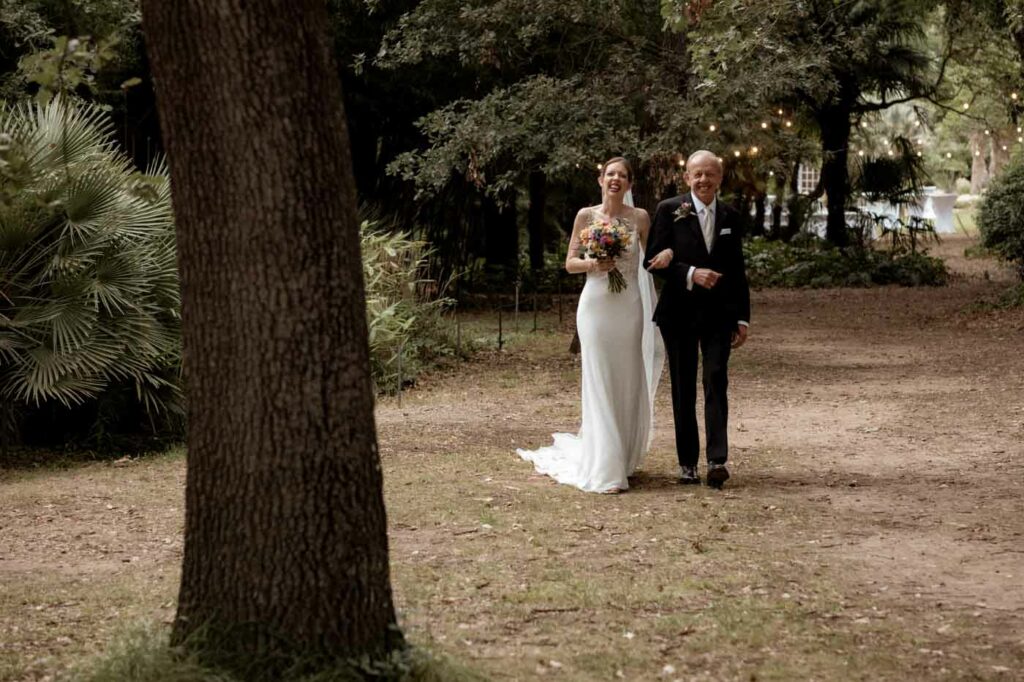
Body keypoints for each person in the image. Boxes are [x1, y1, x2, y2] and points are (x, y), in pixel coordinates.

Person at [518, 157, 667, 493]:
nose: (615, 179)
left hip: (629, 306)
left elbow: (651, 259)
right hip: (596, 306)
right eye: (610, 174)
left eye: (622, 175)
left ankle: (622, 456)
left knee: (626, 376)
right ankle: (605, 465)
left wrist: (666, 256)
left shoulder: (640, 217)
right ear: (601, 180)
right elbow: (570, 263)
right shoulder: (586, 216)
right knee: (599, 378)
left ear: (629, 184)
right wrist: (593, 264)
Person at [644, 150, 751, 489]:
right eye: (697, 174)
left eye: (710, 174)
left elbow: (737, 269)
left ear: (720, 178)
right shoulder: (669, 210)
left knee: (716, 380)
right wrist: (691, 273)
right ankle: (687, 463)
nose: (703, 179)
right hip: (679, 312)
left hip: (720, 313)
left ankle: (717, 460)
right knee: (683, 386)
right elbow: (652, 261)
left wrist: (743, 317)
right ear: (687, 177)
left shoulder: (731, 215)